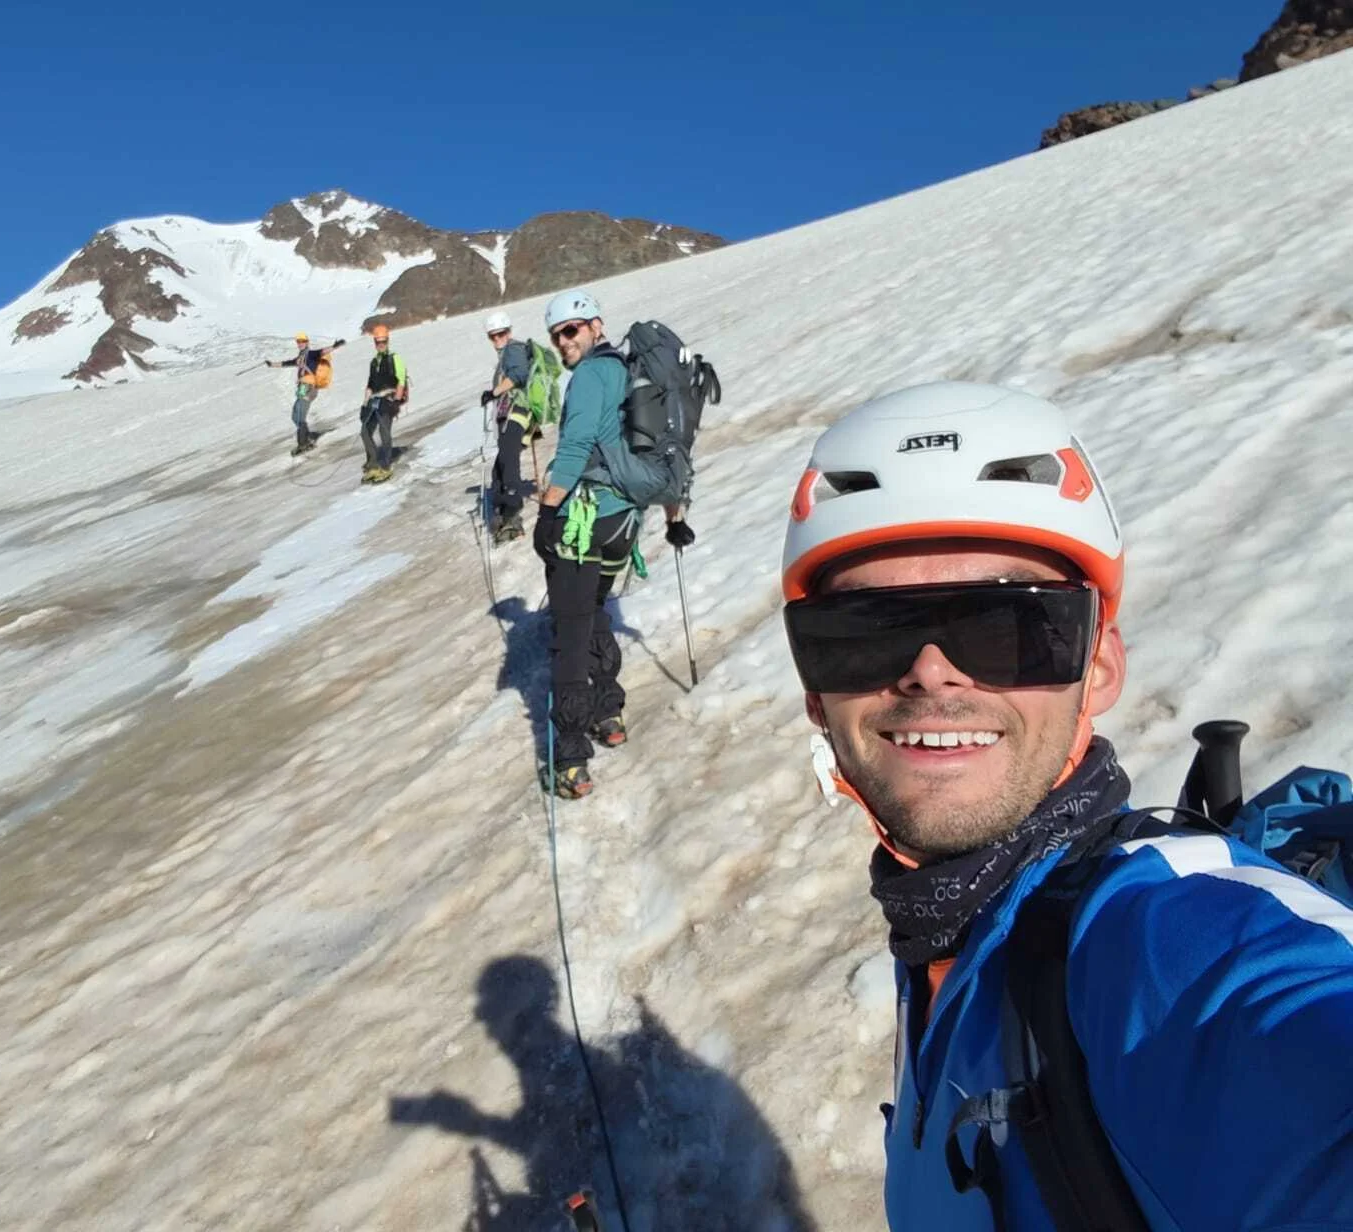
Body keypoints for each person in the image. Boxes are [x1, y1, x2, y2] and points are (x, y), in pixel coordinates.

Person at [778, 381, 1353, 1230]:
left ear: (1103, 668)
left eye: (1011, 625)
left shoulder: (1168, 940)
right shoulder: (942, 931)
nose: (931, 671)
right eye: (865, 631)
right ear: (817, 696)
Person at [535, 289, 691, 799]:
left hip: (586, 520)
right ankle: (610, 713)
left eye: (571, 330)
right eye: (557, 335)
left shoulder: (589, 377)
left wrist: (547, 510)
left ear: (595, 325)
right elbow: (661, 450)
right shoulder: (630, 374)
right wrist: (674, 516)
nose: (563, 342)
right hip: (625, 525)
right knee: (596, 609)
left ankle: (572, 759)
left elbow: (577, 445)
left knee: (570, 633)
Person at [480, 311, 532, 542]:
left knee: (508, 461)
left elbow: (519, 375)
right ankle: (502, 511)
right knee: (501, 465)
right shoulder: (506, 354)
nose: (498, 339)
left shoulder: (513, 350)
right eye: (493, 336)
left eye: (501, 334)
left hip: (517, 413)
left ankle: (511, 513)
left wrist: (493, 392)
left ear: (509, 332)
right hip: (509, 414)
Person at [265, 332, 345, 453]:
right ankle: (306, 435)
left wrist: (335, 346)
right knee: (295, 415)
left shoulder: (311, 354)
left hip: (308, 386)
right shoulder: (300, 358)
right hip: (303, 387)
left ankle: (304, 444)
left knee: (299, 415)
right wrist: (272, 364)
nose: (300, 343)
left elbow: (323, 351)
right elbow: (287, 363)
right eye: (298, 341)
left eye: (302, 341)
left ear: (307, 342)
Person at [360, 323, 407, 483]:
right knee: (365, 431)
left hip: (388, 399)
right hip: (374, 401)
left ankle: (385, 466)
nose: (381, 345)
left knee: (384, 432)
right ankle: (373, 464)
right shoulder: (374, 362)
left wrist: (397, 401)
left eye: (383, 341)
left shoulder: (394, 358)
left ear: (387, 341)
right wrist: (365, 404)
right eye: (378, 342)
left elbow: (401, 379)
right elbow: (370, 385)